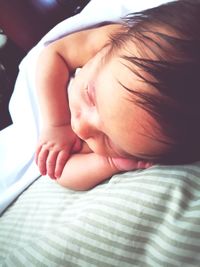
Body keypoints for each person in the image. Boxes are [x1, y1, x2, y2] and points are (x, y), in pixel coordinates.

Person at [35, 0, 200, 190]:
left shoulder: (138, 140)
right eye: (90, 96)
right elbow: (55, 54)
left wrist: (110, 163)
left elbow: (60, 171)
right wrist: (57, 124)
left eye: (108, 139)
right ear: (105, 50)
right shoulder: (115, 40)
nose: (81, 128)